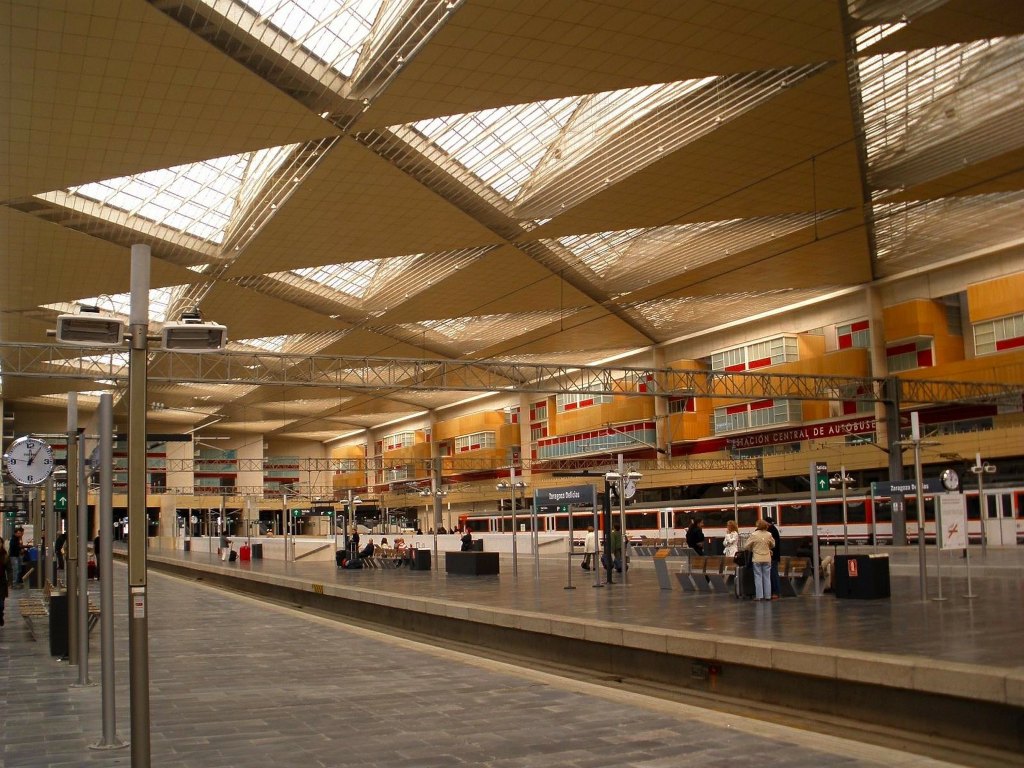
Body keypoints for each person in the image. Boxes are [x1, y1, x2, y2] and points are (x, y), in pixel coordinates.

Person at [743, 519, 775, 601]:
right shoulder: (769, 534)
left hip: (757, 558)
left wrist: (752, 548)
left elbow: (746, 546)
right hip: (767, 558)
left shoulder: (754, 535)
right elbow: (773, 544)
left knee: (758, 577)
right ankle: (768, 595)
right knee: (767, 577)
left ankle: (759, 596)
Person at [765, 516, 782, 600]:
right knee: (773, 573)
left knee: (773, 574)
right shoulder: (774, 530)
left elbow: (772, 544)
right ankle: (774, 592)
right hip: (774, 556)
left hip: (772, 556)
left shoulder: (770, 531)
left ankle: (776, 592)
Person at [0, 537, 12, 626]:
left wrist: (10, 582)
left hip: (2, 583)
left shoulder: (5, 556)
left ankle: (0, 615)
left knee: (1, 604)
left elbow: (9, 569)